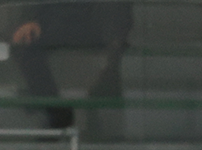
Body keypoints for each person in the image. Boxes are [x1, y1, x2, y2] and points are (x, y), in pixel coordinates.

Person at [9, 2, 133, 132]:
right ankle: (55, 111)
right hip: (55, 20)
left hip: (98, 24)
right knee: (23, 42)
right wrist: (29, 19)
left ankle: (94, 110)